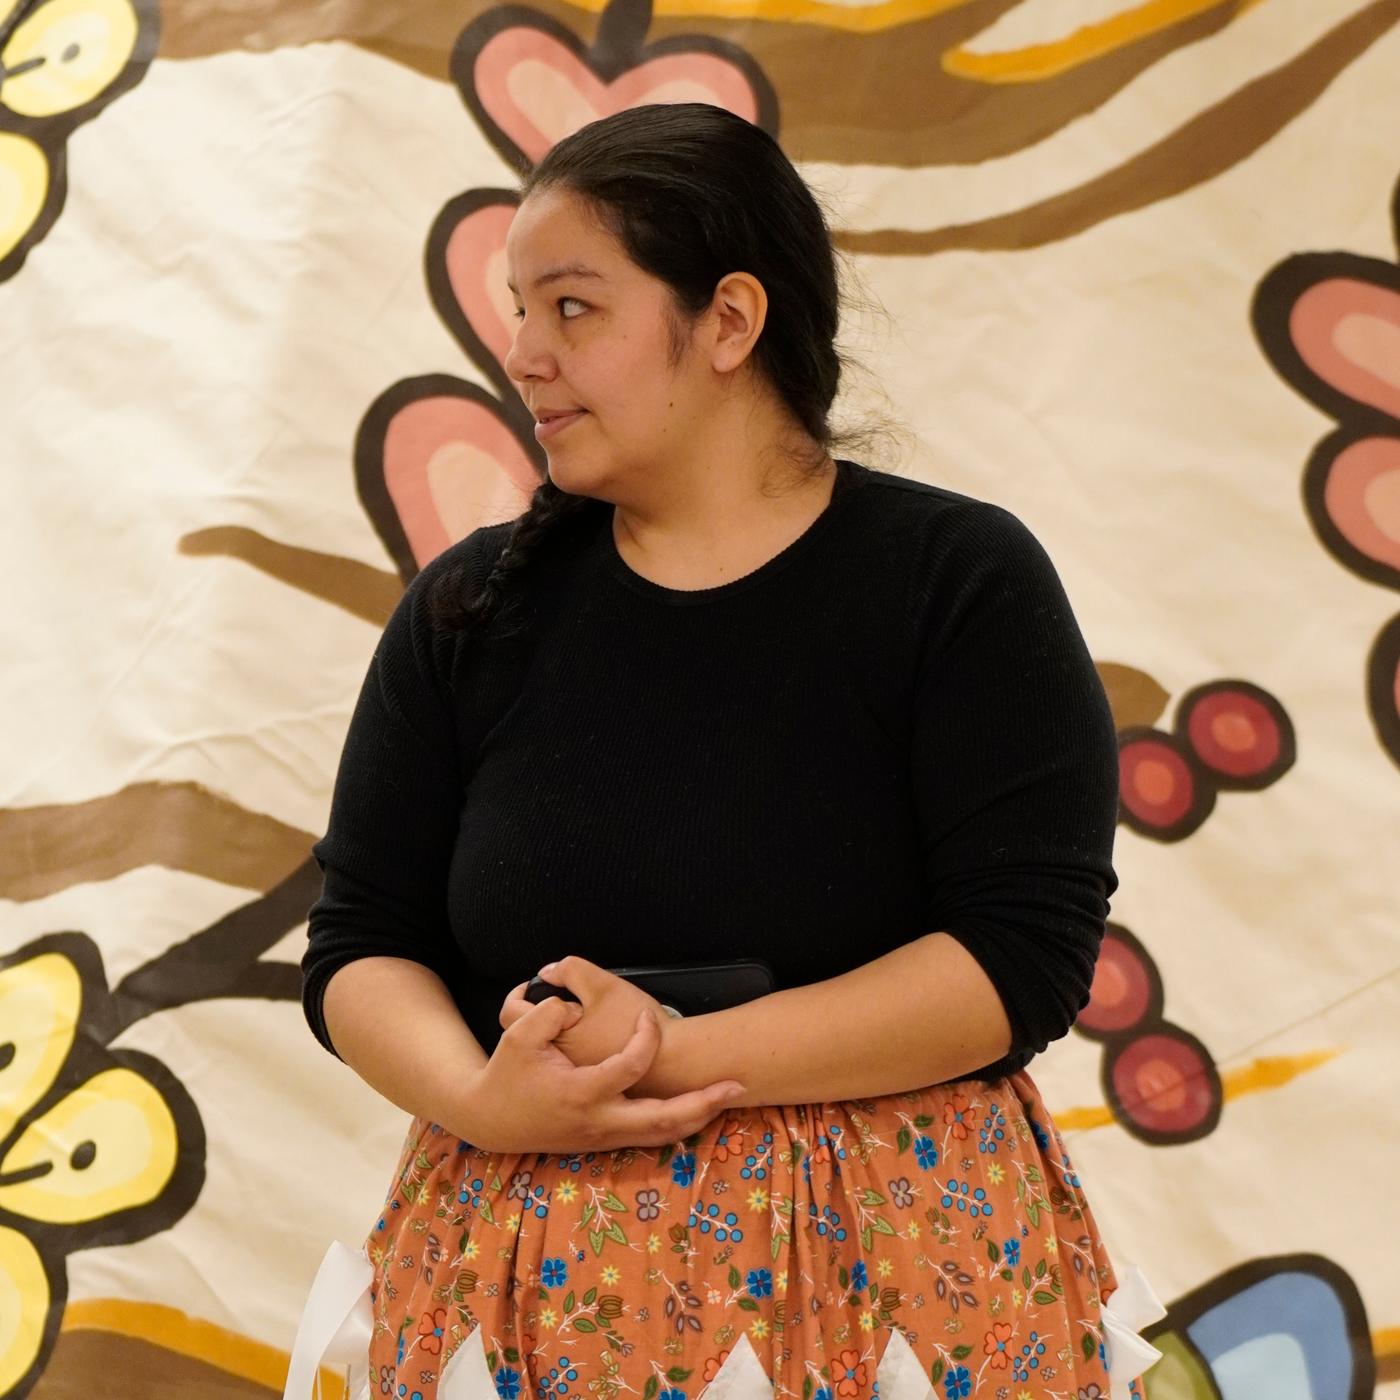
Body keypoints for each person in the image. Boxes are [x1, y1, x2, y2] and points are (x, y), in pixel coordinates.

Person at [298, 102, 1151, 1400]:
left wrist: (657, 1055)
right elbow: (361, 941)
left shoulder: (954, 584)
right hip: (498, 1301)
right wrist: (487, 1103)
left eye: (572, 307)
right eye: (516, 310)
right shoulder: (473, 610)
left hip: (905, 1305)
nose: (523, 353)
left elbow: (1017, 959)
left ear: (730, 323)